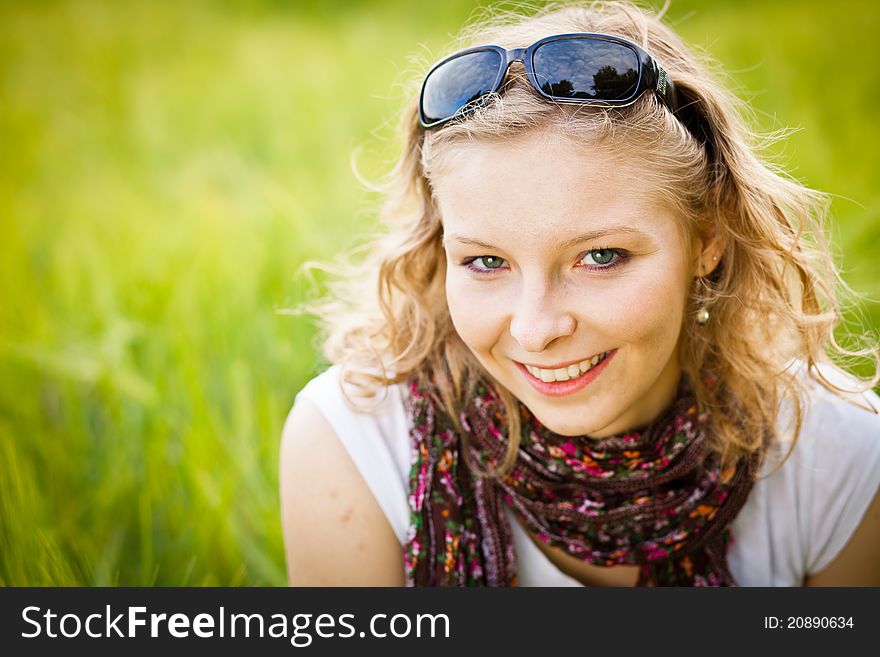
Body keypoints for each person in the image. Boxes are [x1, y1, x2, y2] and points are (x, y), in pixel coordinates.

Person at [279, 0, 880, 586]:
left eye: (599, 257)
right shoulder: (356, 441)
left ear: (707, 242)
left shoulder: (838, 459)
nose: (535, 329)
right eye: (486, 261)